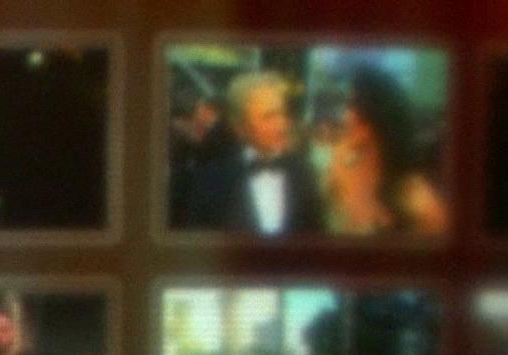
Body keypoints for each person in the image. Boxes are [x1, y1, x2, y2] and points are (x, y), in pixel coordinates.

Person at [180, 70, 326, 235]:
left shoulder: (303, 172)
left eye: (282, 114)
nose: (282, 125)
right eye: (269, 117)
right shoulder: (212, 180)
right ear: (240, 127)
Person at [324, 66, 448, 237]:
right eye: (348, 105)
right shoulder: (342, 163)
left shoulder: (417, 202)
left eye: (355, 106)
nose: (347, 115)